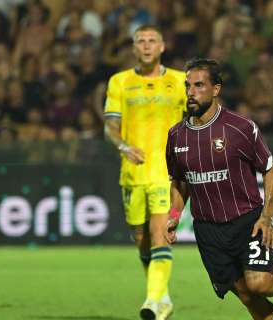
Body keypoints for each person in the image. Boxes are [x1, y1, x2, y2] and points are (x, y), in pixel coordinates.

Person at [165, 58, 273, 320]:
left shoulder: (240, 128)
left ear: (216, 89)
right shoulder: (176, 135)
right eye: (187, 85)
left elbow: (270, 170)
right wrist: (174, 215)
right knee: (247, 296)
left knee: (258, 282)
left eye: (199, 85)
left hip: (248, 222)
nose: (191, 92)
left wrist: (267, 217)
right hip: (208, 231)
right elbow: (179, 181)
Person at [103, 25, 185, 320]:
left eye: (152, 41)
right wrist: (123, 146)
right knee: (142, 241)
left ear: (162, 47)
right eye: (141, 41)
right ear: (134, 48)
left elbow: (200, 117)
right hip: (133, 173)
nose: (147, 46)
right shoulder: (119, 82)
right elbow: (110, 125)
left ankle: (152, 301)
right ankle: (162, 297)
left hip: (167, 173)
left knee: (159, 235)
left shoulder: (180, 81)